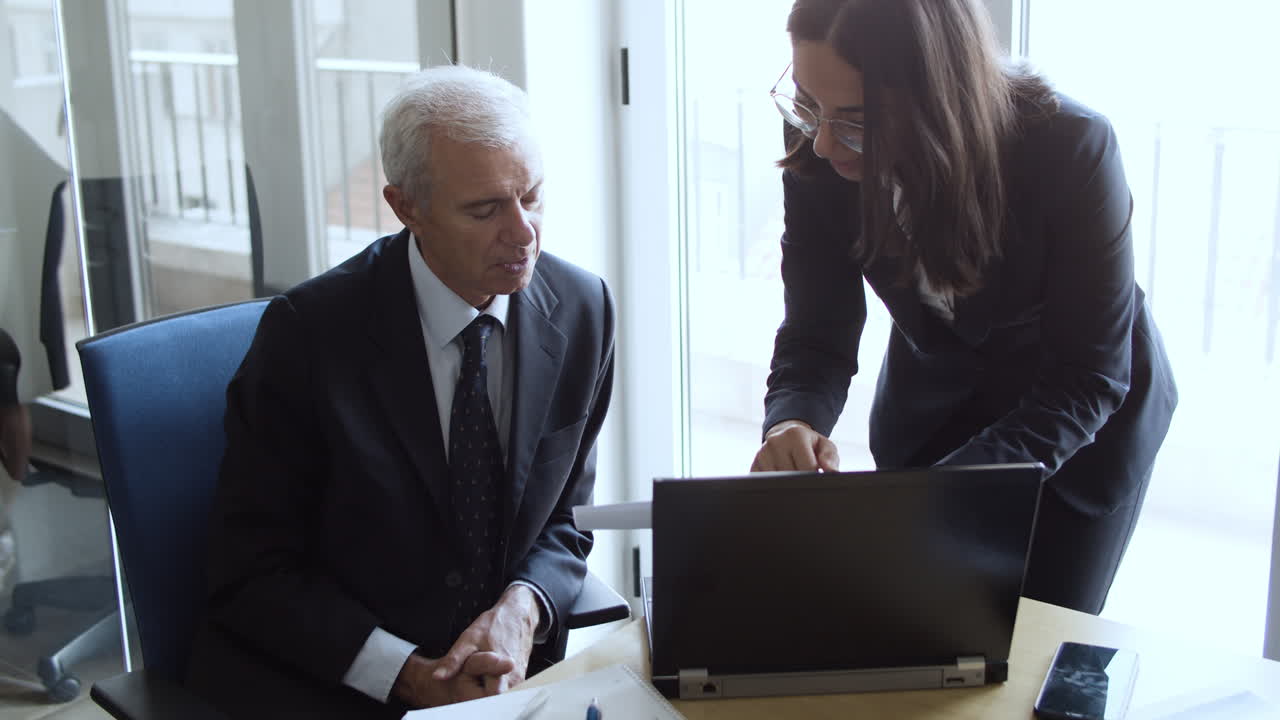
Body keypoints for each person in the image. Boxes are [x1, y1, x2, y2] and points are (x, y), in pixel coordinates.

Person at [185, 64, 616, 718]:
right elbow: (251, 570)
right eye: (485, 209)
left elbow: (566, 519)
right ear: (406, 207)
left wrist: (524, 608)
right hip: (340, 687)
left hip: (510, 680)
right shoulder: (307, 336)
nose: (523, 232)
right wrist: (409, 676)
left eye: (531, 197)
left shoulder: (582, 308)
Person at [750, 0, 1177, 615]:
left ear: (938, 98)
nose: (821, 142)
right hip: (932, 409)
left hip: (1078, 433)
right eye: (807, 103)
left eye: (857, 120)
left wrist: (944, 494)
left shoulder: (1072, 148)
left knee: (1034, 645)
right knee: (913, 626)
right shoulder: (820, 138)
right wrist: (793, 420)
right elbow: (817, 328)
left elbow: (1087, 379)